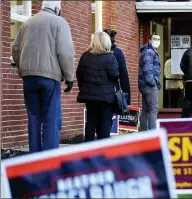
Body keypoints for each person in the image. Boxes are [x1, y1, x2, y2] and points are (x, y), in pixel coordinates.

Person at [12, 0, 75, 153]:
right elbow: (65, 52)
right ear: (56, 8)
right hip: (49, 78)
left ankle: (34, 157)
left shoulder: (27, 23)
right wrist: (69, 76)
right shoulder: (60, 23)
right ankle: (49, 159)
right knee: (50, 119)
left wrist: (22, 68)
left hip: (28, 78)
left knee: (33, 118)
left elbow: (15, 49)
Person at [76, 31, 119, 141]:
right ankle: (102, 149)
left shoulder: (85, 56)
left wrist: (84, 88)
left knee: (91, 121)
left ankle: (89, 149)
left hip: (90, 96)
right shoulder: (110, 57)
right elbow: (115, 76)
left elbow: (79, 75)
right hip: (106, 97)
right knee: (105, 122)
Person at [138, 33, 161, 131]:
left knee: (146, 110)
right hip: (149, 85)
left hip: (145, 85)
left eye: (158, 39)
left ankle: (144, 133)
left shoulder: (149, 51)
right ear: (149, 40)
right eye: (154, 39)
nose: (157, 41)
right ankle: (152, 134)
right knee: (153, 109)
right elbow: (148, 69)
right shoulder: (149, 52)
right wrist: (153, 83)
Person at [104, 29, 131, 105]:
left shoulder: (94, 53)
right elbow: (124, 76)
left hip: (95, 94)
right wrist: (127, 100)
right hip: (112, 92)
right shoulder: (117, 53)